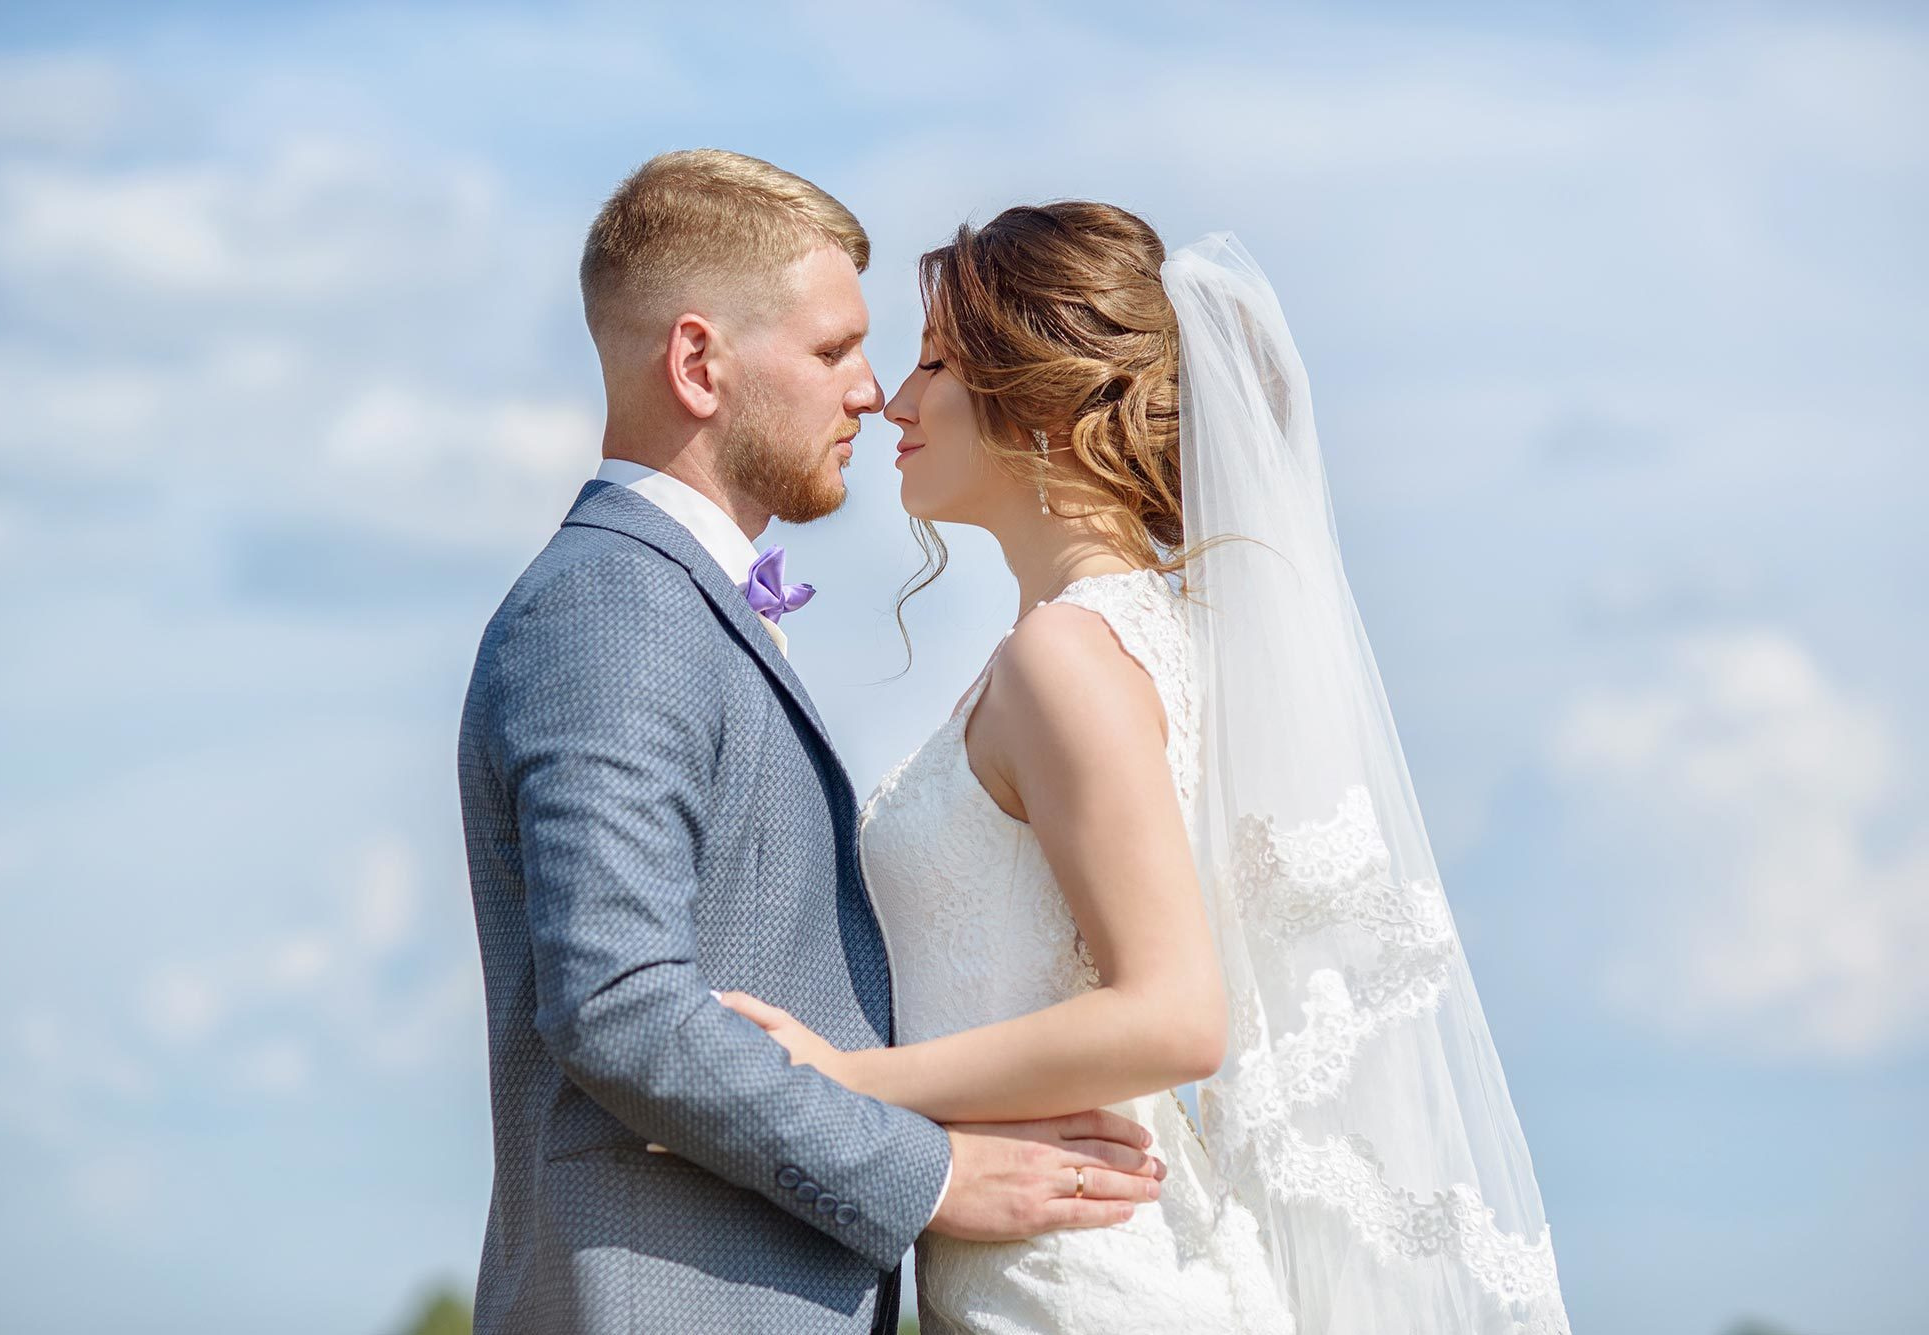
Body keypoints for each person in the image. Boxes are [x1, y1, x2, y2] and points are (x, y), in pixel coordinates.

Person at [720, 203, 1574, 1333]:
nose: (893, 398)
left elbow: (1175, 1014)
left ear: (1040, 396)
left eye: (935, 362)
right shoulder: (1118, 643)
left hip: (1090, 1290)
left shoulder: (1064, 660)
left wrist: (843, 1085)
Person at [455, 154, 1163, 1335]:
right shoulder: (612, 608)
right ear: (696, 364)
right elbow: (619, 1006)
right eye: (833, 350)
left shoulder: (671, 605)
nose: (871, 391)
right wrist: (927, 1172)